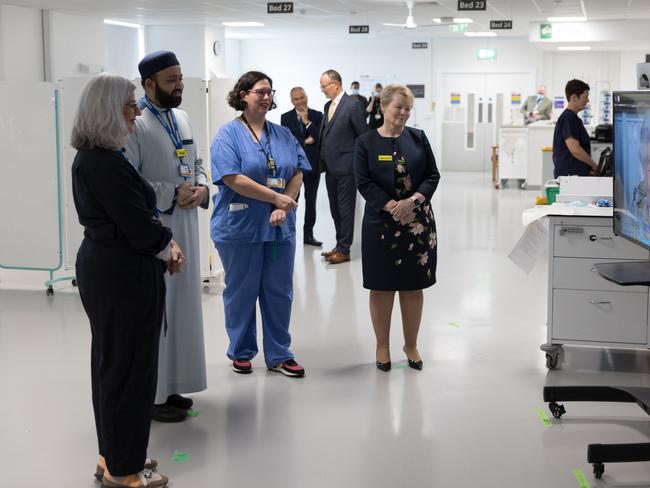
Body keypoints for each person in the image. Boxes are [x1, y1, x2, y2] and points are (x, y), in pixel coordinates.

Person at [72, 73, 184, 488]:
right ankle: (123, 469)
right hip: (122, 274)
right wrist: (168, 246)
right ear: (107, 111)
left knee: (112, 366)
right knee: (129, 371)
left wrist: (161, 243)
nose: (137, 114)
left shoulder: (98, 156)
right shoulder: (104, 162)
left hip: (111, 270)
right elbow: (139, 225)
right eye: (130, 106)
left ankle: (115, 455)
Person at [124, 51, 208, 423]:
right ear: (149, 84)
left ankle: (172, 385)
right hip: (156, 228)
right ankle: (152, 393)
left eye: (180, 78)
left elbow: (196, 161)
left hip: (187, 225)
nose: (179, 86)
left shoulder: (182, 117)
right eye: (171, 80)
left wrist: (201, 187)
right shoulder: (135, 124)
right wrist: (171, 193)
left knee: (182, 310)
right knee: (158, 314)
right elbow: (129, 180)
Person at [210, 71, 309, 377]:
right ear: (243, 95)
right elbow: (232, 178)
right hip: (240, 228)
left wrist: (286, 203)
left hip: (279, 227)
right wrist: (274, 199)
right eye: (259, 92)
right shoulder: (227, 135)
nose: (266, 97)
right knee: (241, 291)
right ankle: (241, 351)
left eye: (269, 92)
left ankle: (280, 353)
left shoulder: (282, 134)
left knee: (279, 291)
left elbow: (297, 171)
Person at [354, 84, 440, 372]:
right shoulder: (365, 142)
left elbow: (432, 175)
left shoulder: (418, 138)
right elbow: (363, 182)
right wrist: (393, 206)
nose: (403, 113)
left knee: (413, 287)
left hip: (417, 223)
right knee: (381, 287)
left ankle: (411, 344)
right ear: (383, 106)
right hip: (381, 223)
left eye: (408, 109)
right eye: (398, 107)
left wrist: (413, 201)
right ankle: (382, 345)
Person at [317, 69, 369, 264]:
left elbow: (362, 136)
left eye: (324, 86)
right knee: (335, 209)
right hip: (330, 167)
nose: (322, 90)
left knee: (346, 209)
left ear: (336, 84)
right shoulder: (327, 106)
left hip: (347, 167)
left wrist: (360, 164)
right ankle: (339, 245)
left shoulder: (352, 105)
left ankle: (344, 250)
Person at [281, 87, 324, 246]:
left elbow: (319, 137)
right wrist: (306, 140)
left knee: (311, 201)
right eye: (296, 99)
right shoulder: (285, 118)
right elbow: (287, 141)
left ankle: (308, 236)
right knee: (292, 200)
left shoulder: (318, 115)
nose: (300, 102)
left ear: (306, 96)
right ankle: (289, 233)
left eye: (302, 98)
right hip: (295, 168)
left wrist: (307, 122)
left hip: (313, 166)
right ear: (292, 101)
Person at [552, 79, 597, 178]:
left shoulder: (574, 119)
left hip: (575, 175)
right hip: (570, 177)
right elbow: (575, 149)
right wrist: (594, 166)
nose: (587, 100)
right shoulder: (568, 118)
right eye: (585, 97)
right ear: (574, 98)